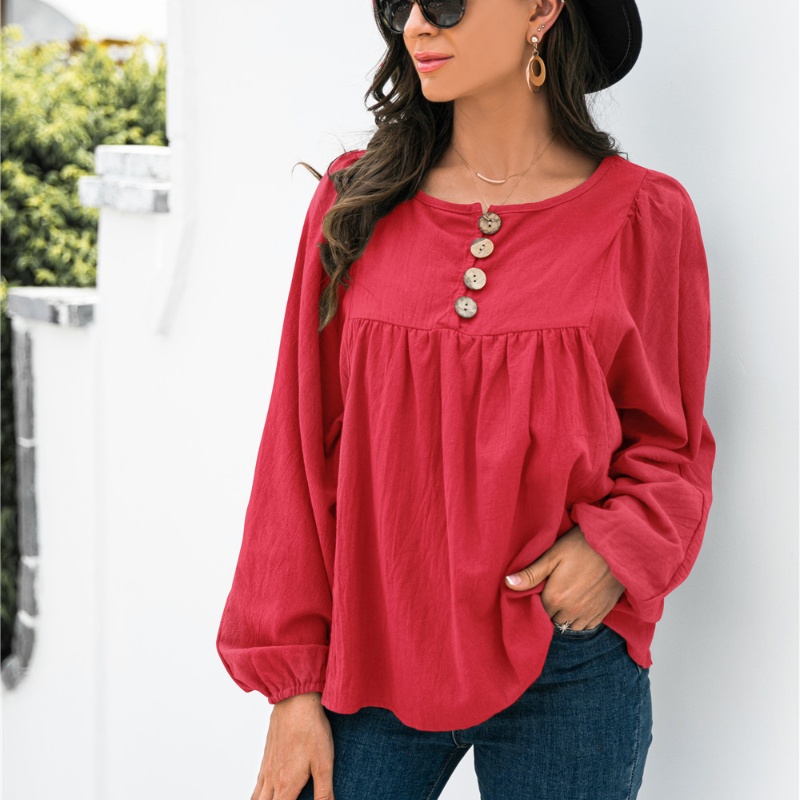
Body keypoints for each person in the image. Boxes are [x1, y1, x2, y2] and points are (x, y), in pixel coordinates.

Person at [216, 0, 716, 797]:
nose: (418, 24)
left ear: (541, 9)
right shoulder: (356, 201)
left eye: (446, 2)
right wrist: (292, 685)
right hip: (368, 657)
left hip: (568, 660)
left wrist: (613, 550)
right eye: (401, 5)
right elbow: (296, 451)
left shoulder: (642, 217)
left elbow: (669, 440)